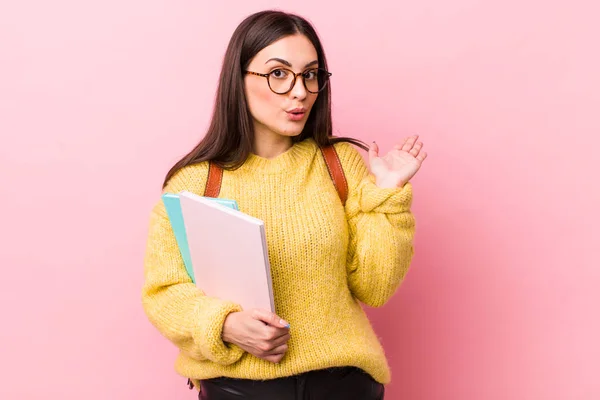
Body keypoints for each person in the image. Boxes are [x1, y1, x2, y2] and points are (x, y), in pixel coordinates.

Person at [141, 9, 427, 400]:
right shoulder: (195, 183)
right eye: (278, 73)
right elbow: (164, 291)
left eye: (311, 75)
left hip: (344, 386)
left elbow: (375, 287)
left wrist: (387, 197)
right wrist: (223, 323)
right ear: (238, 80)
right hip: (238, 389)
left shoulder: (339, 164)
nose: (300, 91)